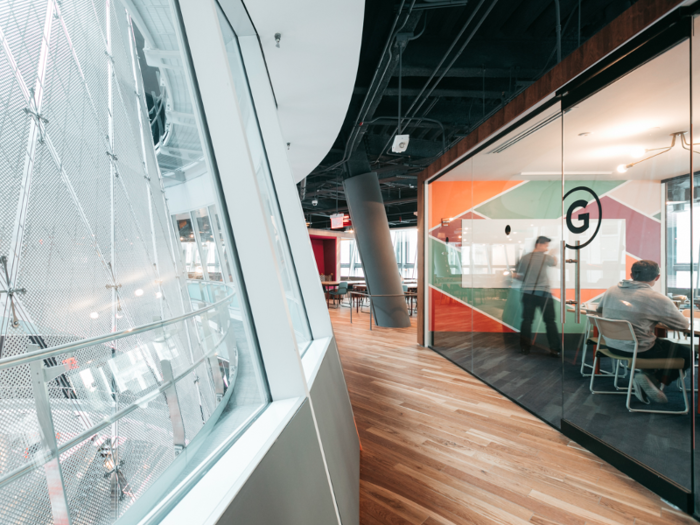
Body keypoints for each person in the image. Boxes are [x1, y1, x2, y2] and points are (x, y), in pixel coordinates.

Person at [596, 260, 691, 404]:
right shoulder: (657, 298)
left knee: (662, 345)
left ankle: (647, 376)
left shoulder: (611, 290)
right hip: (638, 349)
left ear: (631, 274)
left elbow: (599, 311)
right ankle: (655, 380)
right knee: (687, 353)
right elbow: (682, 324)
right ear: (657, 277)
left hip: (611, 345)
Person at [513, 236, 561, 357]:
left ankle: (525, 348)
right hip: (544, 294)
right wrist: (552, 253)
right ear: (539, 244)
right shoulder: (546, 258)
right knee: (550, 322)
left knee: (527, 321)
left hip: (528, 293)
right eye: (546, 245)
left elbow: (516, 275)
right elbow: (555, 262)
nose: (546, 248)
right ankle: (555, 349)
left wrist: (528, 279)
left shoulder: (524, 258)